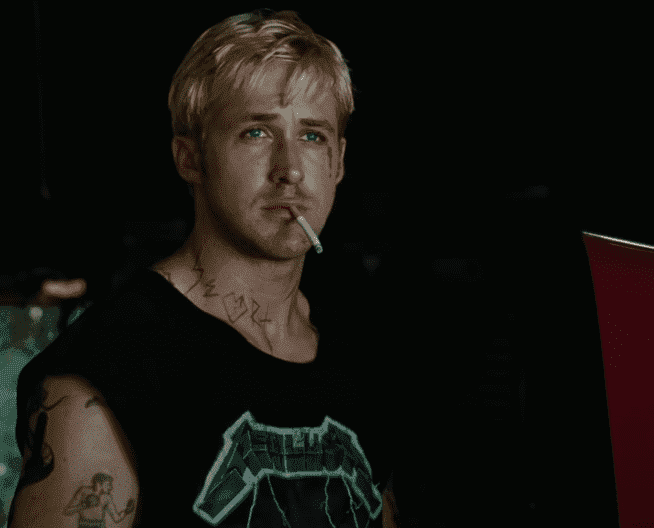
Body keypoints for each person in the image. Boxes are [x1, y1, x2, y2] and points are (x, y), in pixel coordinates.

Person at [9, 9, 404, 527]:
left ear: (339, 161)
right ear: (189, 158)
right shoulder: (107, 377)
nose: (289, 170)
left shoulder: (359, 354)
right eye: (256, 132)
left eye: (313, 136)